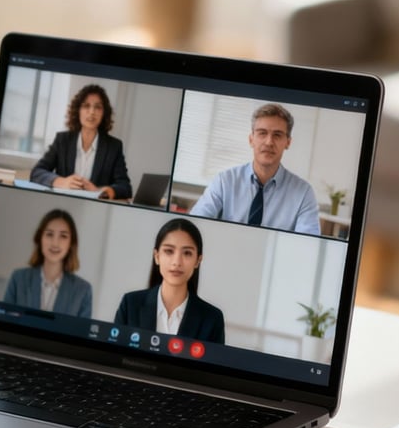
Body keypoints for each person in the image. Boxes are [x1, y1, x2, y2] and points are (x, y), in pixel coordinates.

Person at [190, 102, 320, 235]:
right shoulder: (224, 181)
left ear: (288, 142)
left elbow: (308, 243)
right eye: (262, 133)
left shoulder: (304, 193)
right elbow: (194, 225)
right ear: (251, 139)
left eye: (277, 135)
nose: (269, 142)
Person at [114, 218, 225, 344]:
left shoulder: (212, 318)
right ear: (157, 256)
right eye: (169, 251)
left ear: (198, 261)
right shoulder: (130, 305)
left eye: (187, 253)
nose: (177, 262)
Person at [30, 83, 133, 200]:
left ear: (104, 113)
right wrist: (61, 182)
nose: (92, 112)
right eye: (86, 106)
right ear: (78, 110)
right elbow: (37, 172)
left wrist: (100, 191)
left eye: (98, 107)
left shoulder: (114, 146)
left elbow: (126, 187)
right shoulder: (62, 140)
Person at [3, 209, 92, 317]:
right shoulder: (18, 279)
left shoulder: (83, 290)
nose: (55, 243)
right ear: (39, 238)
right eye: (49, 234)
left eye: (63, 236)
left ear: (71, 243)